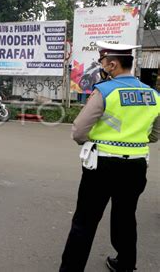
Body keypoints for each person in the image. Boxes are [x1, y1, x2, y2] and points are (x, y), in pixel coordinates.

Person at [59, 41, 159, 272]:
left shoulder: (105, 91)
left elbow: (79, 130)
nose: (102, 67)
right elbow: (154, 135)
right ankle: (125, 265)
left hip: (102, 166)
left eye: (102, 63)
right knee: (125, 216)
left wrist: (91, 141)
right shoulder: (154, 94)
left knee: (85, 221)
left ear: (112, 64)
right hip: (136, 167)